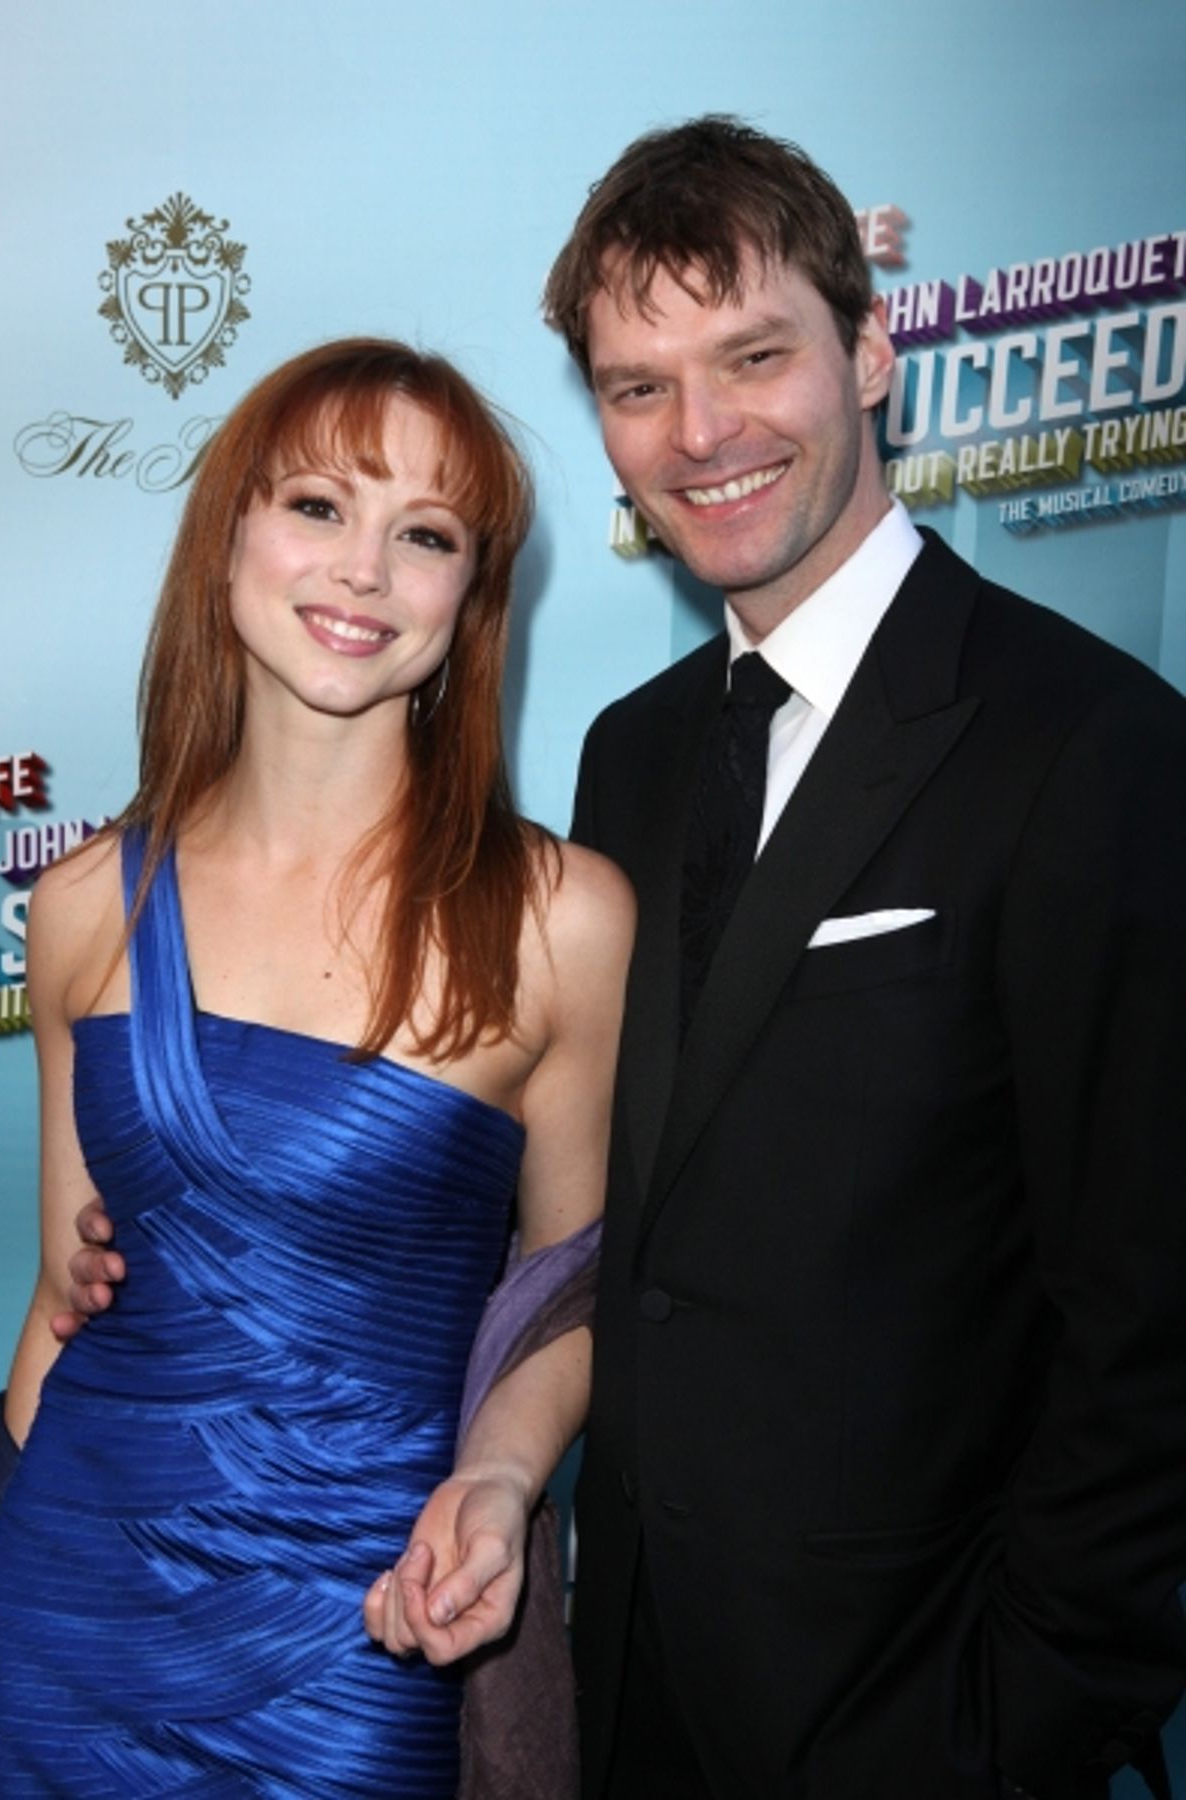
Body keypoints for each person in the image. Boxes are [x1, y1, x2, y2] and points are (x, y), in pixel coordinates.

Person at [539, 118, 1186, 1799]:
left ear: (876, 349)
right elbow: (631, 1198)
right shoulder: (630, 753)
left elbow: (1149, 1308)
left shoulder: (1091, 745)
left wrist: (1026, 1721)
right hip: (635, 1696)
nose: (702, 433)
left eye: (756, 356)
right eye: (637, 385)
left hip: (927, 1717)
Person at [0, 337, 633, 1798]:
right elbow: (60, 1295)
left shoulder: (562, 922)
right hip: (58, 1609)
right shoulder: (86, 903)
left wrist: (501, 1478)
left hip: (366, 1634)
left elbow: (577, 1291)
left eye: (426, 535)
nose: (363, 572)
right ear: (229, 538)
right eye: (319, 508)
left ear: (472, 600)